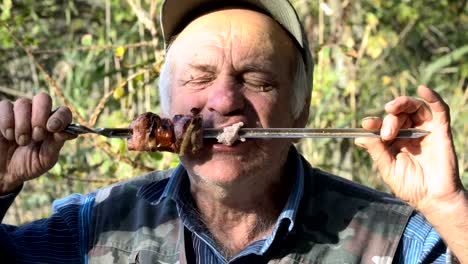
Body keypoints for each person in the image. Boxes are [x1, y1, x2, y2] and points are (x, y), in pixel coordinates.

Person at [0, 0, 466, 263]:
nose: (224, 101)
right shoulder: (91, 229)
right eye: (199, 78)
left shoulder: (398, 240)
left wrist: (448, 206)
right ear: (166, 105)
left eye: (258, 80)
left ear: (300, 111)